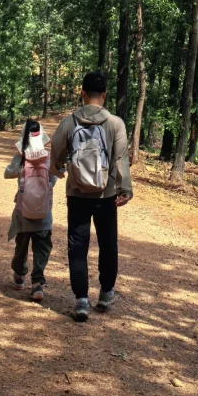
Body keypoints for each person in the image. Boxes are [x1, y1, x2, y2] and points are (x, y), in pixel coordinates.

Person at [48, 69, 133, 322]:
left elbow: (56, 153)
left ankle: (81, 300)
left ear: (82, 93)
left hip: (77, 193)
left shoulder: (69, 122)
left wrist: (59, 170)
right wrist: (124, 189)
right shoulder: (115, 123)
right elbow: (120, 159)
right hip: (106, 195)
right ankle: (106, 293)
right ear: (104, 95)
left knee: (77, 246)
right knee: (108, 244)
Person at [3, 118, 55, 302]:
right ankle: (37, 284)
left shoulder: (21, 155)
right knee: (42, 248)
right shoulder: (48, 156)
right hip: (44, 213)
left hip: (23, 211)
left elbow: (8, 173)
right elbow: (54, 179)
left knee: (21, 244)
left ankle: (19, 274)